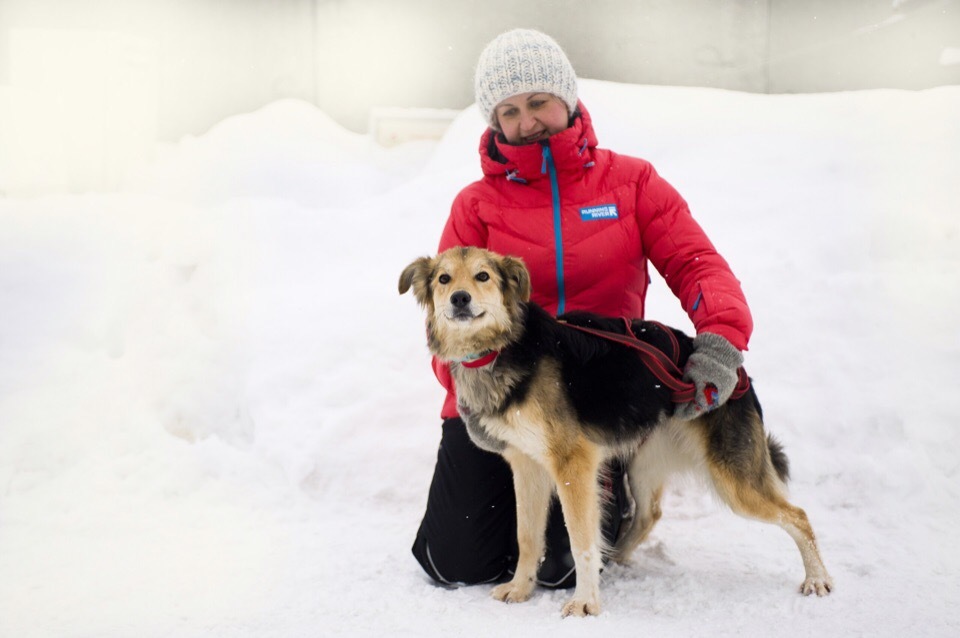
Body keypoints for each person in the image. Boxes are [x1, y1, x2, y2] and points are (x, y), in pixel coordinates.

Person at [411, 28, 752, 589]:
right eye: (510, 111)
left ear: (566, 99)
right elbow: (447, 314)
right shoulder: (476, 204)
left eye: (539, 102)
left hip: (598, 393)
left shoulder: (631, 182)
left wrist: (720, 340)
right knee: (457, 563)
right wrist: (469, 404)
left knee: (562, 570)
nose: (528, 121)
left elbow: (697, 264)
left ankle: (606, 509)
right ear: (493, 122)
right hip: (502, 396)